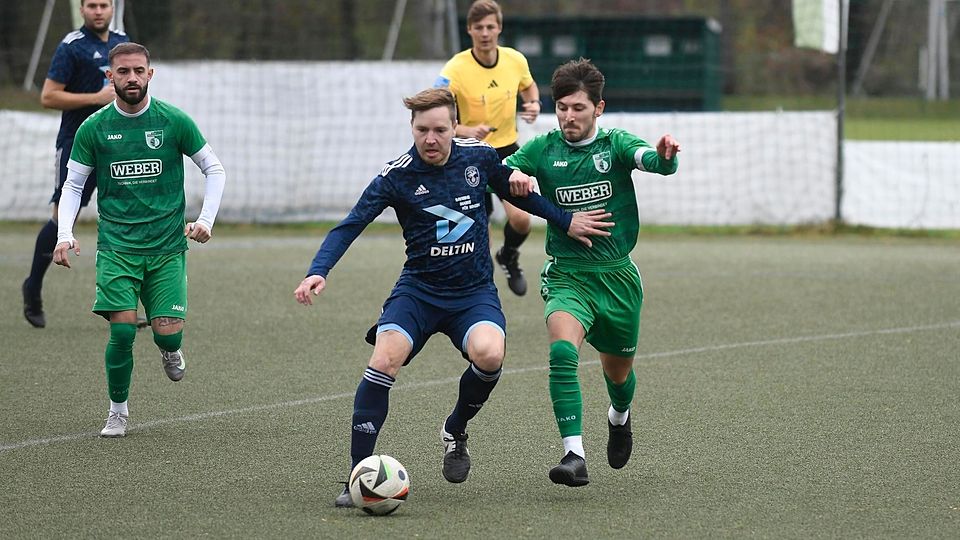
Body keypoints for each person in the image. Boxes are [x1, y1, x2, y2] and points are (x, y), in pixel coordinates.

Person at [293, 88, 612, 507]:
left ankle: (455, 428)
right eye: (422, 129)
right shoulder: (396, 175)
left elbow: (519, 194)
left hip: (473, 293)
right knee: (385, 358)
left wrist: (565, 220)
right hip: (419, 292)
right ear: (412, 128)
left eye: (440, 129)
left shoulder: (478, 158)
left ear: (453, 126)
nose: (430, 138)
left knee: (490, 355)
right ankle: (358, 474)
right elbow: (351, 224)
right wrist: (319, 270)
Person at [504, 58, 681, 486]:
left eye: (578, 108)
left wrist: (663, 157)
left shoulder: (615, 144)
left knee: (618, 376)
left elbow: (650, 160)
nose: (568, 115)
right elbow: (504, 172)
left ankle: (619, 417)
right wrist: (516, 178)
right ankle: (573, 454)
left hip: (617, 279)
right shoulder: (544, 148)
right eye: (562, 106)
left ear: (598, 108)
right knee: (562, 352)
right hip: (567, 274)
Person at [53, 42, 227, 438]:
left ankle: (169, 346)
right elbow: (74, 184)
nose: (131, 78)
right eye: (123, 72)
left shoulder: (174, 121)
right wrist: (65, 234)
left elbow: (214, 169)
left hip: (167, 248)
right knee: (123, 331)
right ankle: (118, 411)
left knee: (169, 332)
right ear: (109, 77)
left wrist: (205, 220)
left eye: (138, 71)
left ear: (150, 74)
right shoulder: (94, 128)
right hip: (117, 247)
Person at [22, 0, 129, 328]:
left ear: (112, 8)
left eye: (104, 5)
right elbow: (48, 96)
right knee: (61, 218)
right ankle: (33, 287)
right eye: (92, 5)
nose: (99, 11)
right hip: (77, 145)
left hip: (117, 146)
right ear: (82, 9)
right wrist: (95, 99)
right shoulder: (71, 46)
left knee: (130, 217)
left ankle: (125, 303)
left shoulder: (122, 42)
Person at [434, 0, 541, 297]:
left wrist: (533, 103)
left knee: (521, 220)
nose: (485, 33)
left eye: (490, 27)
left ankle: (508, 255)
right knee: (477, 232)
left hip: (507, 151)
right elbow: (434, 111)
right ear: (469, 29)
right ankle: (480, 292)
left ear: (499, 28)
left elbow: (529, 86)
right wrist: (465, 130)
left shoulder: (515, 60)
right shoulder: (455, 68)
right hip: (468, 153)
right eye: (478, 27)